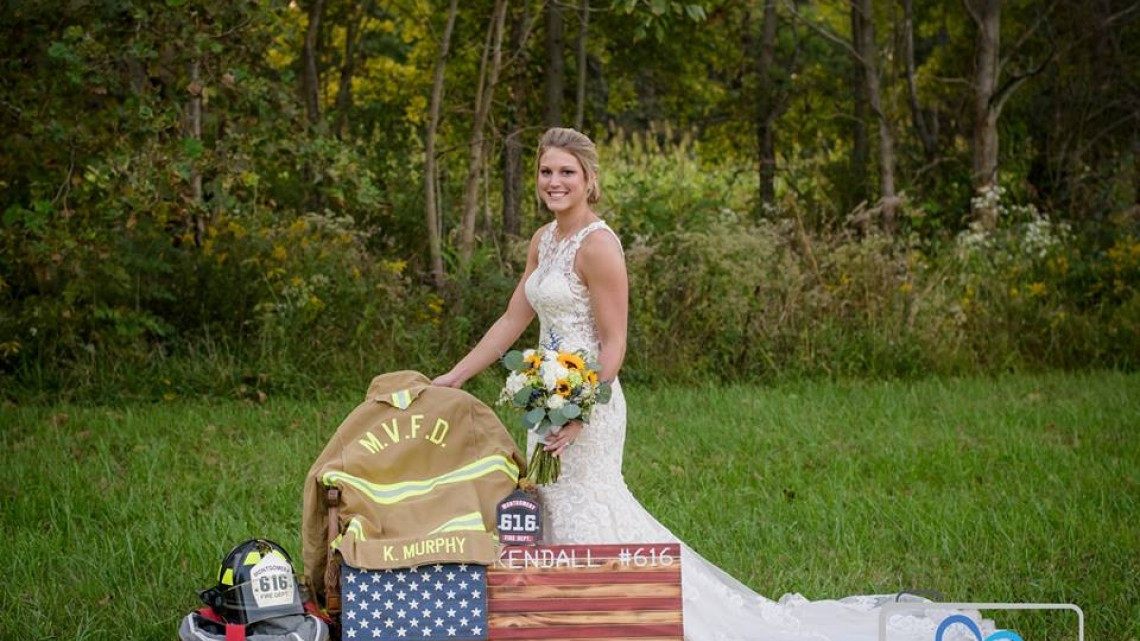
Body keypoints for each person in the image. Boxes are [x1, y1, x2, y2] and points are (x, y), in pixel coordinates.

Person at [433, 127, 993, 640]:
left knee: (591, 510)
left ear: (589, 179)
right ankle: (570, 622)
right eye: (546, 172)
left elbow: (614, 344)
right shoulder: (544, 240)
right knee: (549, 508)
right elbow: (513, 319)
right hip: (544, 400)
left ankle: (635, 619)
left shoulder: (599, 245)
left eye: (566, 172)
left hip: (590, 403)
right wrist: (455, 377)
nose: (554, 182)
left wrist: (580, 413)